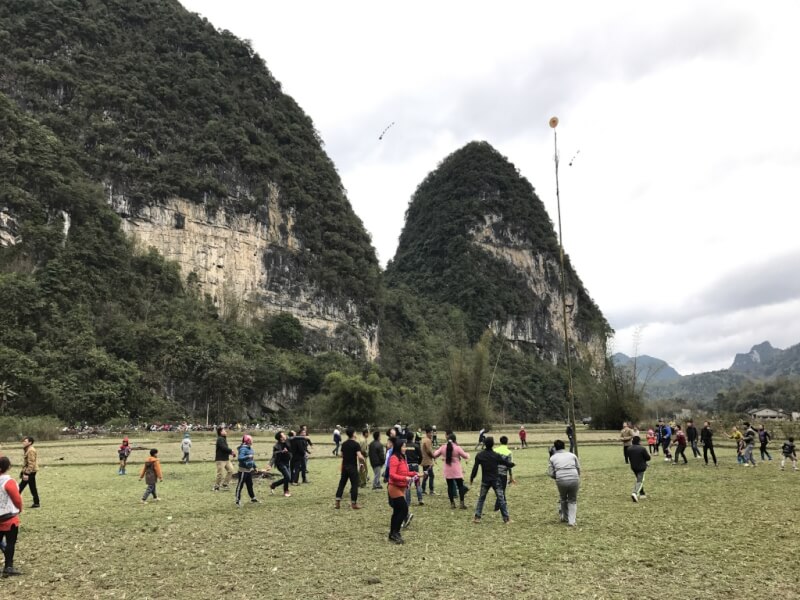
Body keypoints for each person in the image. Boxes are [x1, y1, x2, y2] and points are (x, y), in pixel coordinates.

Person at [470, 436, 514, 524]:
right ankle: (506, 519)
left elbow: (475, 468)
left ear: (484, 444)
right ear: (493, 444)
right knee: (501, 499)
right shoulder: (496, 455)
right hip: (495, 480)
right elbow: (504, 463)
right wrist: (511, 464)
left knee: (481, 499)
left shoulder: (480, 455)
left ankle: (477, 517)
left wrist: (472, 477)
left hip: (485, 480)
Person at [387, 437, 417, 544]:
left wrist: (414, 474)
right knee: (404, 509)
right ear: (399, 447)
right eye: (404, 446)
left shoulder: (402, 458)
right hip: (394, 487)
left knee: (397, 511)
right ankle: (396, 532)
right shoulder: (394, 458)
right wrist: (404, 478)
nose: (405, 448)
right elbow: (392, 474)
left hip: (401, 487)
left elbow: (404, 473)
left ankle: (392, 533)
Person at [547, 439, 580, 526]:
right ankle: (572, 521)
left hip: (561, 479)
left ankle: (564, 517)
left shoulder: (552, 458)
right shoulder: (572, 455)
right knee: (572, 499)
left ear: (555, 448)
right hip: (574, 477)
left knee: (563, 498)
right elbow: (578, 468)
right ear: (564, 446)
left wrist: (557, 477)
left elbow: (550, 473)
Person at [434, 433, 470, 509]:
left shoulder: (443, 447)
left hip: (447, 469)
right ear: (455, 440)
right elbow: (465, 456)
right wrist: (468, 455)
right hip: (456, 470)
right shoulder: (457, 448)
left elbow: (435, 454)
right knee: (460, 486)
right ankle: (462, 503)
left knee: (450, 486)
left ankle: (452, 504)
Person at [0, 456, 22, 577]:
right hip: (8, 518)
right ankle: (8, 566)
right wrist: (19, 509)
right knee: (10, 543)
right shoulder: (9, 482)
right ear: (8, 467)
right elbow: (17, 499)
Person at [334, 427, 365, 509]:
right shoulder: (356, 444)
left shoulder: (344, 444)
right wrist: (363, 459)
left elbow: (341, 455)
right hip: (352, 467)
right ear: (353, 434)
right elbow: (359, 456)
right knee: (354, 484)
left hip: (345, 466)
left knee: (342, 483)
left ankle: (337, 502)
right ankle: (354, 504)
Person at [235, 435, 259, 507]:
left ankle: (253, 498)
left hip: (248, 470)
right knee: (240, 485)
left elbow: (251, 459)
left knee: (250, 485)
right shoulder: (243, 449)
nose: (252, 441)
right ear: (248, 441)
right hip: (243, 471)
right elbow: (240, 458)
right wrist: (248, 456)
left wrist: (255, 467)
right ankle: (237, 500)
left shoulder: (249, 448)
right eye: (251, 440)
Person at [494, 436, 515, 513]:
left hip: (495, 472)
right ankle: (497, 506)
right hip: (503, 473)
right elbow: (509, 465)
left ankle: (504, 503)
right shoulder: (509, 452)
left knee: (499, 489)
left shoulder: (495, 450)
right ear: (507, 442)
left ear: (500, 441)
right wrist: (511, 475)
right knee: (502, 490)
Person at [404, 431, 424, 506]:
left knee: (408, 484)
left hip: (407, 466)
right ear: (413, 437)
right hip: (415, 465)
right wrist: (418, 462)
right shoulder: (416, 446)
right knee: (417, 482)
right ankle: (420, 499)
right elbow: (421, 456)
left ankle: (407, 501)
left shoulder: (404, 446)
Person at [18, 437, 39, 508]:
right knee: (32, 487)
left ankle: (14, 503)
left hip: (30, 472)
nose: (23, 442)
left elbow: (31, 463)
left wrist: (26, 473)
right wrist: (22, 472)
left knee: (20, 487)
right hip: (30, 471)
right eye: (23, 441)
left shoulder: (30, 450)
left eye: (25, 441)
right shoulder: (28, 449)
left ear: (30, 442)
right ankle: (36, 502)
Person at [628, 435, 650, 502]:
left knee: (638, 479)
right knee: (640, 481)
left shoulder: (629, 449)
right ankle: (634, 493)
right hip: (641, 467)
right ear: (639, 441)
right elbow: (648, 458)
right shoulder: (642, 448)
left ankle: (642, 493)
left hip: (633, 467)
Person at [213, 426, 236, 491]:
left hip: (226, 459)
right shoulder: (220, 439)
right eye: (224, 431)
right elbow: (223, 447)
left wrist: (231, 453)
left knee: (231, 470)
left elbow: (224, 449)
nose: (225, 431)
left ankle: (225, 484)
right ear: (220, 432)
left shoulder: (223, 439)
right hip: (220, 459)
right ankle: (216, 487)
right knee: (220, 473)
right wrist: (231, 450)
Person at [270, 431, 292, 497]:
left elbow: (294, 438)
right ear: (280, 438)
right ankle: (286, 491)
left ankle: (273, 485)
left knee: (288, 478)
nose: (285, 435)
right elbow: (274, 456)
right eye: (283, 435)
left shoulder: (287, 442)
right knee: (287, 477)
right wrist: (270, 465)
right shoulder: (276, 446)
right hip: (280, 463)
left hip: (287, 462)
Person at [420, 427, 436, 495]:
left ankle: (423, 489)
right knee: (431, 475)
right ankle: (431, 490)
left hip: (423, 460)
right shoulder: (428, 440)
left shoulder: (423, 440)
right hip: (427, 461)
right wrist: (433, 456)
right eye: (431, 433)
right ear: (428, 433)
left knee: (425, 475)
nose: (432, 434)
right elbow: (428, 451)